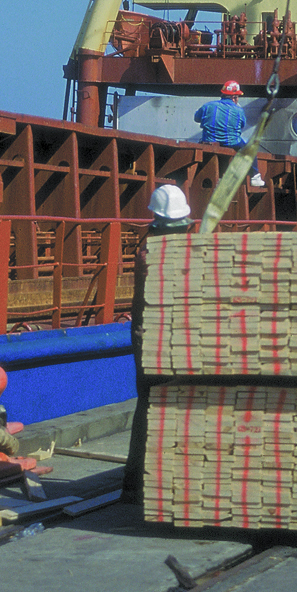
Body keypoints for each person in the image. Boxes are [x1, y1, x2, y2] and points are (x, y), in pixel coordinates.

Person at [122, 184, 193, 504]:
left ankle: (146, 482)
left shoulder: (156, 248)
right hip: (153, 336)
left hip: (165, 333)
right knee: (152, 405)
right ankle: (137, 485)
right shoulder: (153, 254)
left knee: (155, 405)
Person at [194, 81, 265, 188]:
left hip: (209, 140)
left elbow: (197, 118)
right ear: (234, 97)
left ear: (222, 94)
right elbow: (242, 124)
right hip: (232, 142)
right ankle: (255, 177)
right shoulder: (238, 110)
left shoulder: (208, 106)